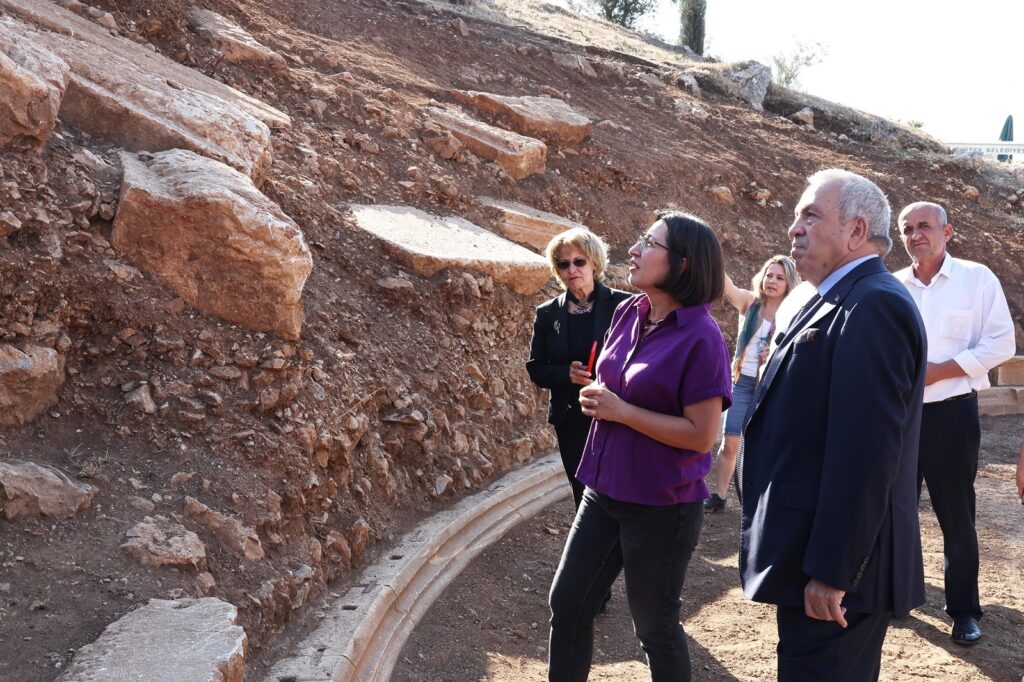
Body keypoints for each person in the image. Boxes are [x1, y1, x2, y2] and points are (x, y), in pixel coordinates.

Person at [740, 169, 927, 681]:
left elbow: (865, 454)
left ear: (855, 232)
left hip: (839, 573)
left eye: (811, 215)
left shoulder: (875, 304)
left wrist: (832, 571)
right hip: (811, 552)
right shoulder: (834, 296)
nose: (793, 229)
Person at [547, 211, 732, 682]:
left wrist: (622, 411)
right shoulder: (630, 311)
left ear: (683, 264)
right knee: (568, 605)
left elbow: (701, 435)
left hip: (660, 506)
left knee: (654, 629)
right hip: (602, 489)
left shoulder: (704, 338)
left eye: (649, 242)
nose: (633, 249)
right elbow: (615, 386)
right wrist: (600, 398)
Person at [894, 201, 1016, 645]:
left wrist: (940, 370)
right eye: (907, 229)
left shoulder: (976, 278)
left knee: (956, 515)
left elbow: (1001, 342)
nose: (915, 235)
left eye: (924, 226)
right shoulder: (892, 286)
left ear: (948, 232)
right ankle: (900, 595)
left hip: (951, 413)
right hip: (899, 417)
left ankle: (964, 609)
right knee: (896, 509)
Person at [527, 228, 630, 510]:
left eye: (579, 261)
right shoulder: (547, 313)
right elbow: (536, 368)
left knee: (618, 489)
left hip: (617, 416)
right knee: (582, 493)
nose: (572, 269)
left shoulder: (624, 306)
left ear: (594, 263)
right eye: (563, 263)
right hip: (571, 417)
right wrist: (565, 374)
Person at [705, 255, 798, 512]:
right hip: (741, 383)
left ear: (789, 283)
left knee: (762, 446)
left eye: (780, 277)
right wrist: (709, 250)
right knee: (730, 442)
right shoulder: (750, 303)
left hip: (769, 386)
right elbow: (727, 286)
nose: (772, 281)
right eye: (769, 275)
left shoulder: (793, 313)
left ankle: (757, 500)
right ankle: (720, 497)